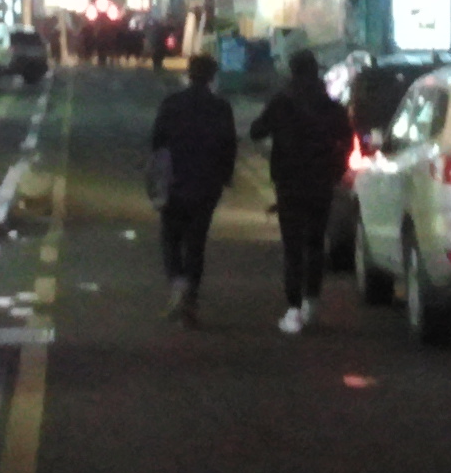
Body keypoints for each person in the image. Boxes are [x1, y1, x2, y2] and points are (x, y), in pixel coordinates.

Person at [248, 50, 354, 335]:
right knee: (316, 244)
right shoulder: (330, 106)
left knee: (293, 247)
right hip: (321, 182)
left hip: (289, 183)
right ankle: (312, 303)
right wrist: (336, 168)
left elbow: (256, 131)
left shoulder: (282, 103)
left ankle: (293, 309)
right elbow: (347, 139)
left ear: (292, 72)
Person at [148, 53, 237, 325]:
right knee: (196, 243)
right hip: (207, 185)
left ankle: (177, 283)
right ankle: (191, 301)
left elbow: (156, 141)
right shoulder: (221, 107)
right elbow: (229, 146)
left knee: (171, 237)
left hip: (175, 182)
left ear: (189, 74)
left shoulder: (172, 103)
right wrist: (225, 177)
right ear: (212, 77)